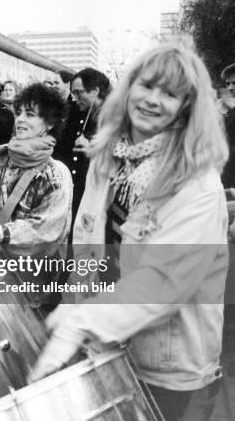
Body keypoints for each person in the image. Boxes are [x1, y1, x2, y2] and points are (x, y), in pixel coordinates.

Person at [30, 45, 229, 421]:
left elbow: (164, 282)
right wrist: (73, 307)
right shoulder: (107, 159)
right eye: (147, 85)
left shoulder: (197, 183)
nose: (153, 100)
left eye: (170, 93)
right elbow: (88, 250)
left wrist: (82, 321)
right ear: (128, 88)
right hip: (107, 352)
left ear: (187, 107)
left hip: (170, 374)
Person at [0, 83, 72, 270]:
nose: (20, 120)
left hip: (30, 275)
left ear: (49, 123)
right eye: (19, 113)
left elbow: (45, 230)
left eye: (30, 114)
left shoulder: (55, 174)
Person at [67, 68, 111, 222]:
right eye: (73, 93)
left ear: (95, 91)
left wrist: (93, 150)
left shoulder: (114, 118)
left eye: (79, 93)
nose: (75, 98)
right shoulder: (84, 113)